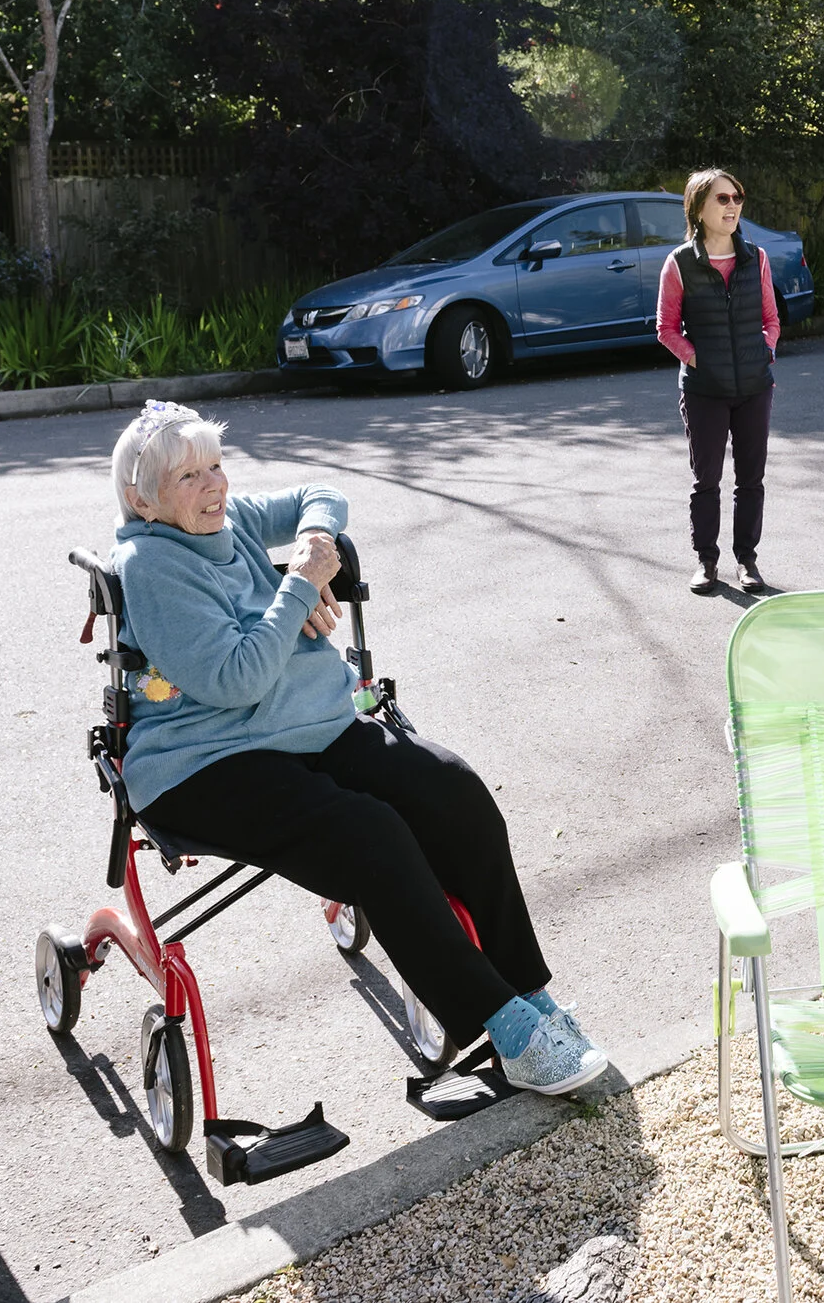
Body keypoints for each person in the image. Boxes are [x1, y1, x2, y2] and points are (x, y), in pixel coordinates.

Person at [107, 401, 608, 1096]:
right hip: (208, 760)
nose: (213, 485)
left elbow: (324, 493)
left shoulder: (233, 519)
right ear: (142, 496)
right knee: (372, 835)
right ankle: (503, 1028)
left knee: (452, 789)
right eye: (188, 475)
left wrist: (312, 542)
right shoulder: (150, 562)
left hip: (311, 725)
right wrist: (299, 587)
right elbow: (235, 678)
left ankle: (529, 990)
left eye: (216, 464)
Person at [656, 168, 779, 594]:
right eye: (722, 199)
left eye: (737, 197)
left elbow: (770, 319)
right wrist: (697, 360)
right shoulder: (679, 264)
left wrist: (766, 351)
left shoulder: (756, 258)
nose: (732, 206)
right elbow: (665, 328)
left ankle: (747, 560)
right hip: (704, 389)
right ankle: (707, 562)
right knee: (706, 480)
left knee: (751, 480)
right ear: (699, 207)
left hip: (753, 387)